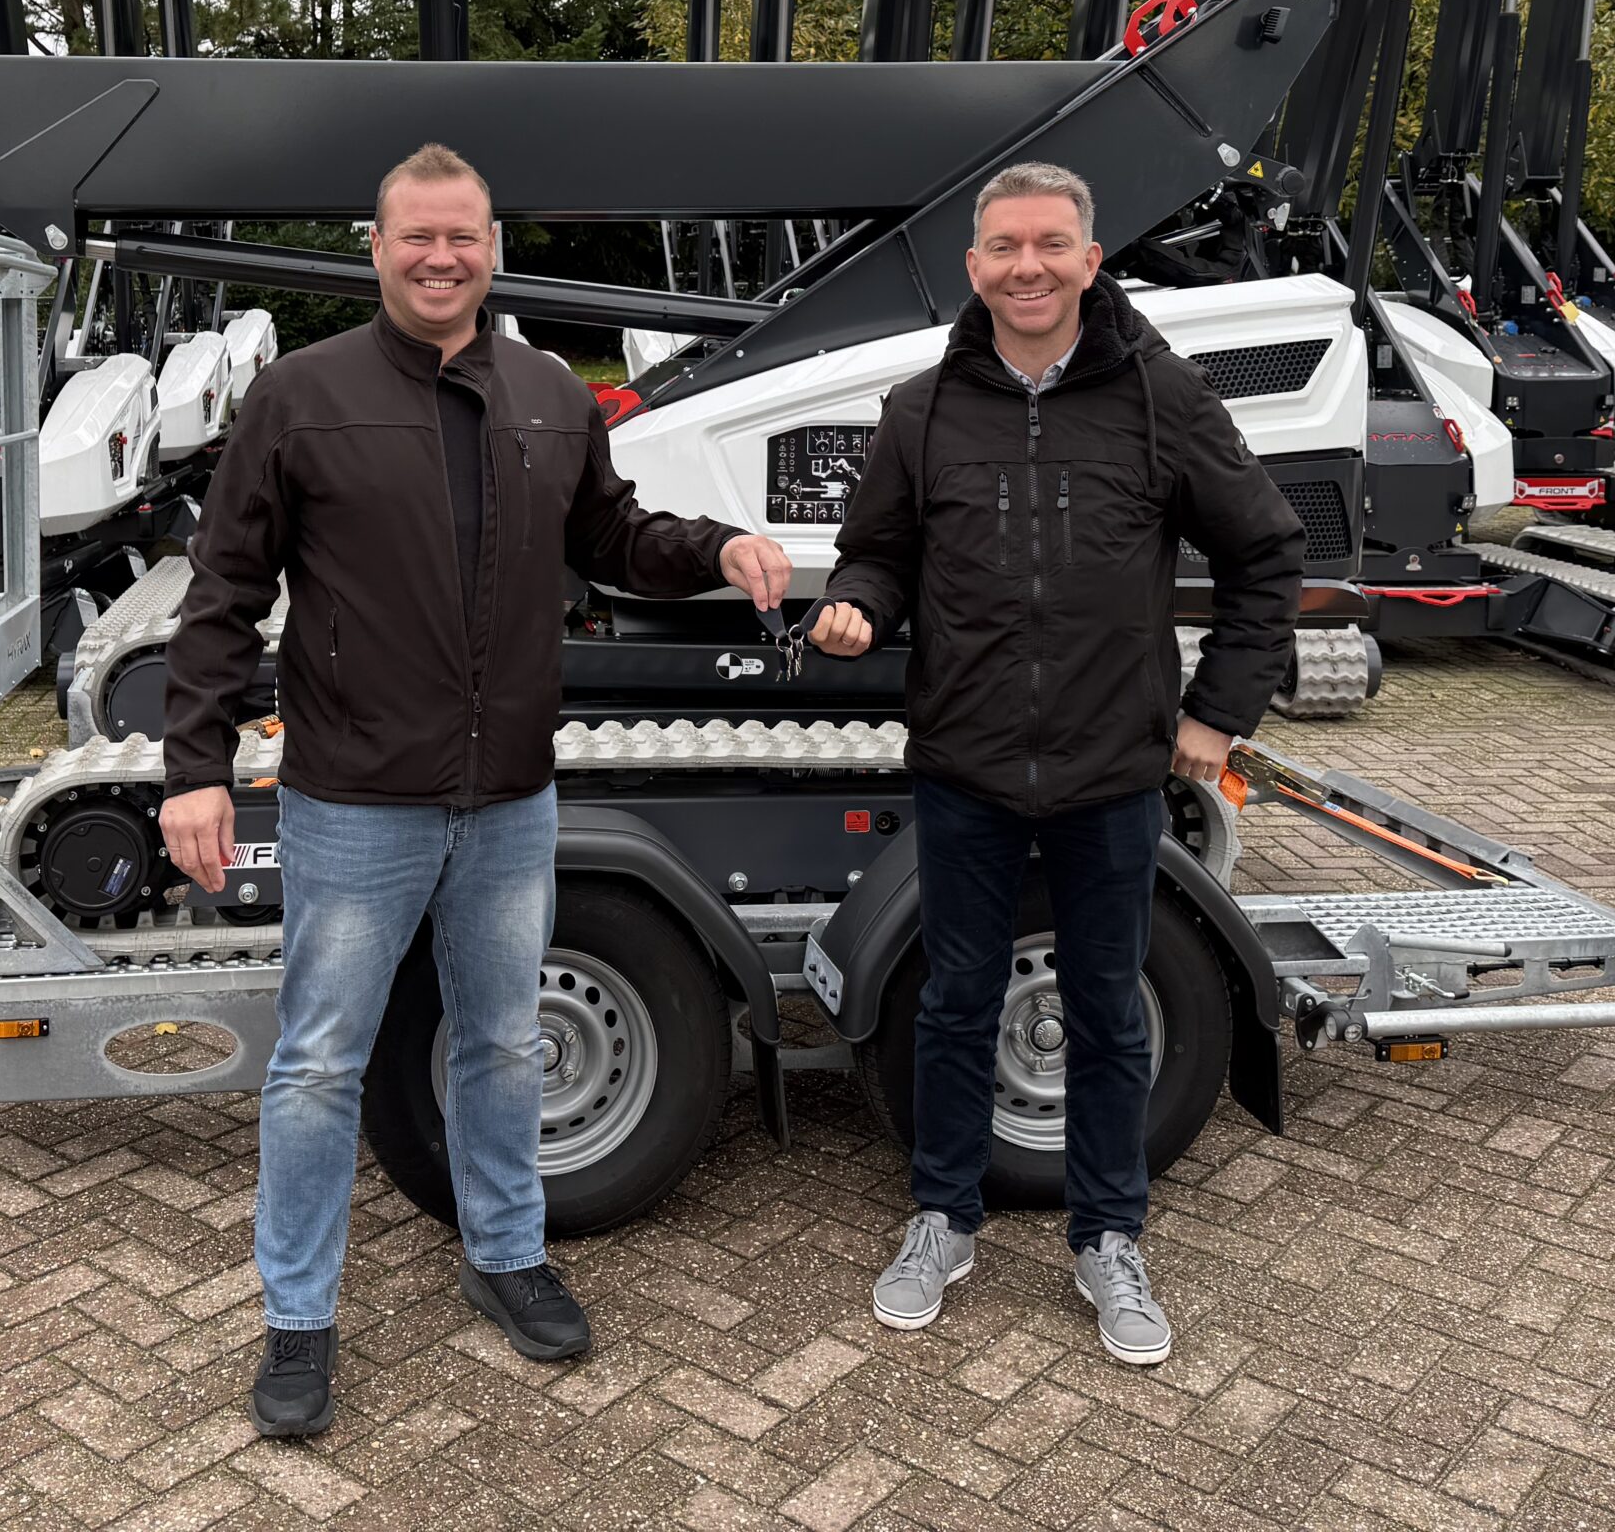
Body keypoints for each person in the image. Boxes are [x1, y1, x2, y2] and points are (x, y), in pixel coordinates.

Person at [157, 144, 795, 1440]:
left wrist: (718, 545)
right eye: (418, 236)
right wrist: (195, 772)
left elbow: (613, 538)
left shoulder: (550, 394)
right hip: (355, 804)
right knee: (319, 1065)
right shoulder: (301, 396)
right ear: (377, 247)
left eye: (464, 236)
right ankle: (297, 1316)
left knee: (503, 1044)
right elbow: (223, 592)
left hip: (509, 801)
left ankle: (506, 1257)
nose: (441, 257)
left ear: (493, 248)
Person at [807, 160, 1301, 1366]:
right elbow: (876, 554)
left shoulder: (1160, 398)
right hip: (965, 765)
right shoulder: (923, 408)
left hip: (1112, 771)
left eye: (1050, 244)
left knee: (1108, 1011)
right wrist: (857, 606)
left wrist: (1216, 714)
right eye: (1004, 246)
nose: (1026, 267)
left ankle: (1110, 1235)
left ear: (1089, 258)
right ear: (974, 266)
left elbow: (1266, 553)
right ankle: (942, 1217)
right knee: (955, 1004)